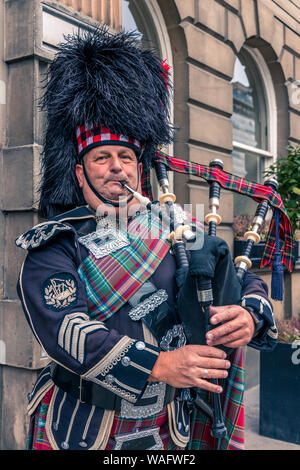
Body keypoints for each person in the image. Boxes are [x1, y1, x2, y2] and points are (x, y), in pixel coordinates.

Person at [15, 27, 277, 451]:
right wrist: (158, 365)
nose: (117, 168)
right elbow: (67, 331)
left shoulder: (176, 229)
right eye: (102, 157)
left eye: (126, 157)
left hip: (171, 427)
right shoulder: (55, 244)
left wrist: (250, 314)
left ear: (140, 170)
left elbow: (243, 281)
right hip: (87, 428)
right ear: (81, 173)